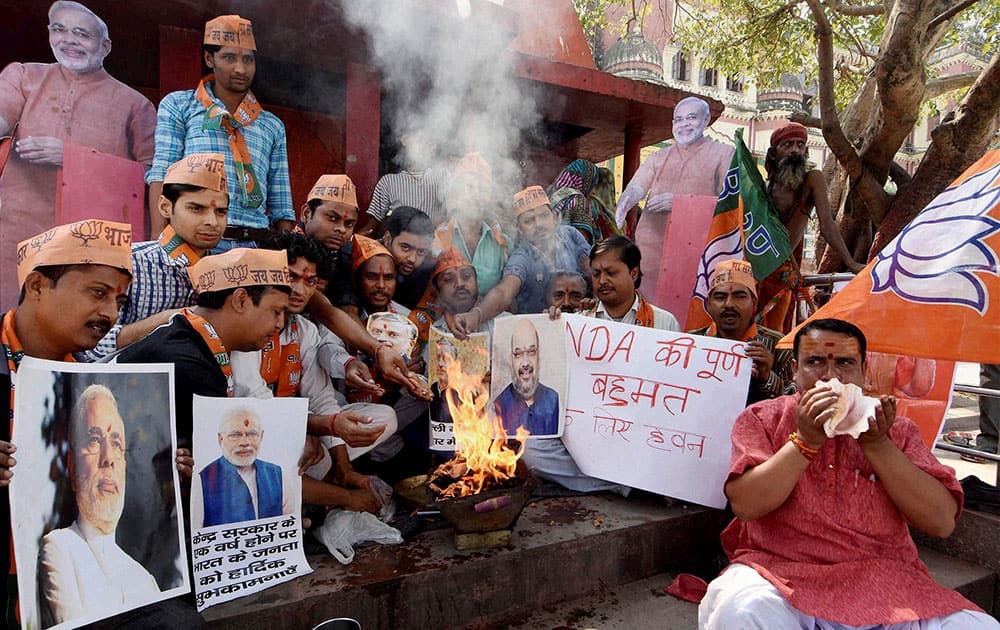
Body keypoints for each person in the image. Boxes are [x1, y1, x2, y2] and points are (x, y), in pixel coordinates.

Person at [699, 318, 998, 629]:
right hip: (780, 574)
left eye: (844, 363)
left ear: (863, 372)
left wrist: (879, 445)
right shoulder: (762, 418)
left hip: (886, 583)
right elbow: (746, 505)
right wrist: (805, 443)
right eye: (814, 362)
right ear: (795, 372)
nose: (830, 376)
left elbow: (941, 522)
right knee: (740, 609)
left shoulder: (896, 429)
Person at [3, 222, 203, 626]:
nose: (111, 314)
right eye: (97, 293)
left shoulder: (93, 380)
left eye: (119, 299)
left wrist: (170, 476)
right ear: (38, 285)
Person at [0, 1, 156, 308]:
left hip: (88, 248)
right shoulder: (23, 77)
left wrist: (73, 158)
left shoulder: (136, 105)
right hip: (14, 237)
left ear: (106, 46)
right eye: (59, 29)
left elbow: (152, 176)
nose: (68, 40)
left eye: (81, 34)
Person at [228, 231, 389, 512]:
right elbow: (258, 407)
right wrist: (310, 429)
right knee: (281, 451)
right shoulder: (247, 329)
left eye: (310, 281)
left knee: (383, 418)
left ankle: (319, 487)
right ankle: (327, 498)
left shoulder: (305, 330)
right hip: (250, 435)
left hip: (297, 430)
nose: (300, 291)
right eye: (291, 277)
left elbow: (322, 398)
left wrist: (343, 466)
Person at [146, 14, 294, 250]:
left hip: (255, 245)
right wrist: (158, 240)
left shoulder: (271, 124)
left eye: (248, 59)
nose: (240, 68)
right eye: (229, 57)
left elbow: (281, 201)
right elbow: (162, 173)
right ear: (209, 58)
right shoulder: (179, 105)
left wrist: (286, 252)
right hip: (194, 242)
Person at [80, 152, 229, 361]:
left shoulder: (226, 273)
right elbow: (90, 347)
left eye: (221, 212)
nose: (212, 222)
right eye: (196, 209)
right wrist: (169, 320)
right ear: (165, 207)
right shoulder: (130, 262)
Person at [38, 385, 160, 626]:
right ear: (72, 469)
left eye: (116, 444)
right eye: (94, 440)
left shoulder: (145, 579)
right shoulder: (60, 547)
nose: (107, 459)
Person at [613, 97, 733, 306]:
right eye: (678, 120)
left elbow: (731, 204)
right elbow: (638, 186)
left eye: (691, 118)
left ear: (706, 120)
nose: (683, 124)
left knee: (689, 313)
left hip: (696, 253)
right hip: (652, 253)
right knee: (649, 311)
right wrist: (625, 202)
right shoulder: (658, 157)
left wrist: (680, 204)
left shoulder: (724, 154)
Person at [758, 122, 864, 331]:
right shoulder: (765, 186)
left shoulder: (812, 179)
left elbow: (827, 226)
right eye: (787, 145)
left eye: (800, 144)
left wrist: (851, 263)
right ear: (773, 154)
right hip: (760, 267)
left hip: (784, 271)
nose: (795, 150)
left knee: (776, 330)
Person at [453, 186, 590, 334]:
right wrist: (476, 315)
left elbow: (592, 270)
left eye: (544, 215)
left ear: (555, 217)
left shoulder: (571, 235)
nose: (539, 224)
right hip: (539, 335)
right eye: (529, 220)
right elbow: (504, 291)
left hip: (581, 331)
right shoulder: (522, 256)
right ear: (519, 228)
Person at [689, 259, 793, 404]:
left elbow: (795, 403)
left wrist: (768, 376)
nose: (729, 304)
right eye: (720, 297)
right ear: (708, 305)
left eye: (739, 296)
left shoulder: (779, 345)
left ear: (754, 304)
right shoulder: (691, 345)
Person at [431, 152, 508, 297]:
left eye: (483, 189)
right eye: (470, 187)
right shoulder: (438, 239)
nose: (476, 195)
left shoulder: (502, 244)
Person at [198, 408, 291, 527]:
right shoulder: (203, 479)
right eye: (235, 435)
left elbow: (289, 525)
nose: (244, 442)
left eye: (252, 434)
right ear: (220, 439)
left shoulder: (277, 475)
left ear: (261, 436)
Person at [580, 236, 679, 331]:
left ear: (633, 274)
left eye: (611, 273)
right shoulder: (579, 323)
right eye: (596, 274)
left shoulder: (664, 323)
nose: (602, 281)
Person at [359, 132, 447, 236]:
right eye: (419, 139)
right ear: (405, 139)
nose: (425, 145)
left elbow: (455, 215)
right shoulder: (388, 182)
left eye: (430, 142)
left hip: (432, 246)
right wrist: (352, 241)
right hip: (399, 247)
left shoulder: (443, 176)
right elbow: (371, 226)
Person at [493, 318, 559, 436]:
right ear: (511, 360)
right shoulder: (499, 404)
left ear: (539, 356)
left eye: (531, 352)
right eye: (518, 354)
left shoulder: (553, 400)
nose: (525, 363)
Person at [548, 159, 620, 244]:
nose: (593, 191)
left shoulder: (552, 194)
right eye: (593, 184)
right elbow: (582, 243)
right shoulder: (578, 200)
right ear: (585, 181)